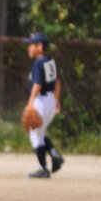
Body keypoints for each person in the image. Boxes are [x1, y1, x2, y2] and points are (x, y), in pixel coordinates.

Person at [23, 32, 64, 178]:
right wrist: (56, 100)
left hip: (40, 100)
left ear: (39, 46)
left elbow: (37, 85)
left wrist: (30, 103)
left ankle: (43, 168)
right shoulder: (49, 60)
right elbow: (57, 82)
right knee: (40, 132)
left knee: (35, 134)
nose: (29, 48)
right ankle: (55, 155)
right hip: (50, 99)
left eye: (31, 45)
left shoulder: (38, 62)